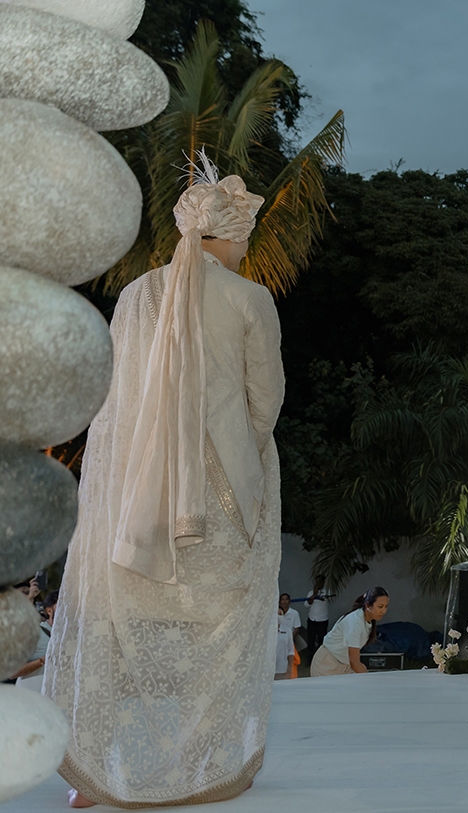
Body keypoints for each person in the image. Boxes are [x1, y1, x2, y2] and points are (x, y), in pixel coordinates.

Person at [43, 152, 283, 808]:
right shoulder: (249, 298)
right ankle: (211, 755)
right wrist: (244, 459)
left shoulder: (136, 293)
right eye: (244, 237)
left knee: (119, 620)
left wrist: (127, 480)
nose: (245, 248)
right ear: (228, 236)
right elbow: (266, 399)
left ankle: (93, 774)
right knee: (231, 613)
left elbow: (116, 402)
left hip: (139, 488)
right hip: (224, 484)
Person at [309, 588, 389, 677]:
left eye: (386, 606)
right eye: (380, 606)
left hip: (344, 664)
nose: (384, 611)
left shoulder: (367, 621)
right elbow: (354, 662)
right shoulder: (355, 621)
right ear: (368, 605)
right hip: (327, 663)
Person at [8, 590, 57, 690]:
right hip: (31, 697)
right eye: (62, 605)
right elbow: (12, 672)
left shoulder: (73, 635)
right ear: (49, 610)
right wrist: (43, 660)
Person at [275, 593, 302, 680]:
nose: (284, 601)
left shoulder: (294, 614)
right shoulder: (268, 631)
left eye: (281, 614)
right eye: (282, 599)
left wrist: (290, 637)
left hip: (282, 667)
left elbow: (297, 628)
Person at [304, 575, 330, 656]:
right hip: (312, 619)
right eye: (317, 581)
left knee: (321, 640)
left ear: (323, 582)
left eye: (320, 581)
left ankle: (320, 657)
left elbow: (327, 600)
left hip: (322, 620)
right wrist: (313, 596)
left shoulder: (327, 592)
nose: (318, 583)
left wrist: (318, 594)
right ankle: (310, 657)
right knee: (311, 639)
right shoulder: (310, 593)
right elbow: (306, 605)